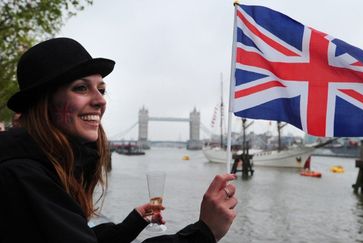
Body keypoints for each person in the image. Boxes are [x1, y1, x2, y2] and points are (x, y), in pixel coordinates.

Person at [0, 37, 238, 243]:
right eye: (82, 88)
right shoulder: (22, 174)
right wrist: (204, 232)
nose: (101, 101)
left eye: (101, 90)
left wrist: (132, 224)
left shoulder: (46, 163)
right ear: (44, 102)